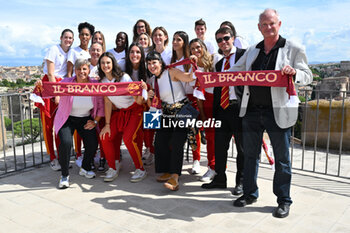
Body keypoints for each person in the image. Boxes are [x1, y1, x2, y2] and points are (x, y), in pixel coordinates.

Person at [231, 9, 312, 218]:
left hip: (278, 112)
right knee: (250, 156)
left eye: (272, 23)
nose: (268, 27)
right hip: (251, 111)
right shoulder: (252, 50)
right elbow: (235, 72)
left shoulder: (293, 48)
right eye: (264, 24)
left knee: (282, 159)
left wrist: (294, 74)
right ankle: (249, 194)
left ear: (279, 24)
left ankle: (284, 200)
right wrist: (210, 77)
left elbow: (307, 75)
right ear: (259, 27)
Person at [201, 27, 246, 197]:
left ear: (233, 38)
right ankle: (220, 179)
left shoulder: (244, 55)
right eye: (219, 40)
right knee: (220, 147)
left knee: (242, 148)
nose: (223, 42)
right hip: (222, 109)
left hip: (239, 109)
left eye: (226, 38)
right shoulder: (219, 64)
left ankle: (241, 182)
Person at [146, 51, 196, 191]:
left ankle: (175, 176)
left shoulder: (172, 72)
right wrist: (150, 94)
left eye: (154, 62)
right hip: (166, 112)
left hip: (182, 111)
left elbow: (189, 78)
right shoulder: (153, 79)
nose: (151, 65)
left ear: (160, 62)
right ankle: (167, 170)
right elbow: (157, 100)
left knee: (176, 142)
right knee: (159, 141)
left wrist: (193, 64)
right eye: (149, 63)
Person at [52, 58, 104, 189]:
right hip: (67, 118)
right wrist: (41, 86)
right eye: (79, 69)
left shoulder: (94, 84)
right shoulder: (66, 82)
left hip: (85, 118)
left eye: (84, 68)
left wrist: (95, 121)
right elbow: (51, 91)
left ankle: (85, 167)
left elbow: (101, 106)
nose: (82, 71)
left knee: (92, 143)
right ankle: (64, 175)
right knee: (66, 143)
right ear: (74, 70)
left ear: (89, 70)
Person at [99, 52, 148, 183]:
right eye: (102, 63)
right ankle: (113, 167)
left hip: (134, 111)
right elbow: (108, 102)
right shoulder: (102, 81)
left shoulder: (124, 78)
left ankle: (140, 169)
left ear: (113, 64)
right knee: (105, 136)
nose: (105, 65)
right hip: (120, 112)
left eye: (108, 62)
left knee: (128, 139)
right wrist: (107, 124)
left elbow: (138, 101)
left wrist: (143, 92)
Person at [40, 28, 74, 171]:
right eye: (66, 37)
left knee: (61, 124)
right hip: (51, 88)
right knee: (48, 125)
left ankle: (62, 157)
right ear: (61, 38)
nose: (68, 40)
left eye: (70, 38)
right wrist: (57, 94)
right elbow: (51, 73)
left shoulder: (70, 53)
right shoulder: (53, 49)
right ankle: (52, 158)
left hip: (61, 88)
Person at [190, 38, 222, 182]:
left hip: (221, 100)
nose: (196, 51)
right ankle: (212, 167)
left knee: (223, 137)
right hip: (206, 101)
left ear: (204, 47)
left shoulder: (216, 59)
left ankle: (222, 168)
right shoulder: (195, 67)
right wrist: (202, 113)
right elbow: (197, 92)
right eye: (192, 49)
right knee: (210, 136)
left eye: (198, 47)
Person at [171, 31, 201, 174]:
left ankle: (196, 160)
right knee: (175, 132)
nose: (175, 42)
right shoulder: (170, 61)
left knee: (194, 131)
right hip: (176, 100)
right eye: (174, 39)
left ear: (185, 43)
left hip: (191, 97)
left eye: (179, 39)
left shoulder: (190, 60)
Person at [125, 43, 154, 165]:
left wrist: (149, 91)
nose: (134, 55)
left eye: (137, 52)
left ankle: (150, 150)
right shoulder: (123, 67)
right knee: (137, 131)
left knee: (150, 127)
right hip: (131, 103)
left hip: (148, 101)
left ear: (142, 55)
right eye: (132, 52)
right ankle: (140, 152)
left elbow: (153, 83)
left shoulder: (147, 67)